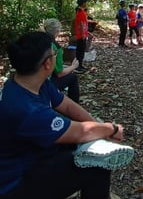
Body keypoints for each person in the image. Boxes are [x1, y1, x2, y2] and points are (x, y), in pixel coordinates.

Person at [0, 31, 132, 199]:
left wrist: (96, 128)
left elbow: (68, 107)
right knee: (97, 167)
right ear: (47, 64)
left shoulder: (29, 83)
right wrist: (111, 129)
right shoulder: (27, 110)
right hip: (15, 184)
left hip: (31, 154)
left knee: (78, 146)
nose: (57, 55)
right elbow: (79, 131)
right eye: (55, 53)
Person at [43, 18, 80, 103]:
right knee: (73, 77)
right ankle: (74, 105)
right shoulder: (55, 47)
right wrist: (73, 67)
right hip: (45, 82)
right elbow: (59, 73)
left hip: (32, 78)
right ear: (57, 31)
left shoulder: (38, 40)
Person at [74, 0, 89, 73]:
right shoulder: (80, 12)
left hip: (83, 34)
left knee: (82, 50)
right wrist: (83, 34)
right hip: (81, 35)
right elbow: (81, 24)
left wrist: (87, 33)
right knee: (80, 50)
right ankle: (78, 66)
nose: (86, 4)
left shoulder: (82, 11)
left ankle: (80, 64)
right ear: (83, 3)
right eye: (85, 2)